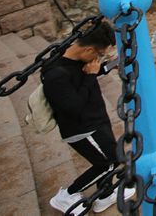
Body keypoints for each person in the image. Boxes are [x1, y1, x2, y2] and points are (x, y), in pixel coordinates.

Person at [42, 19, 134, 213]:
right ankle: (66, 196)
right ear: (89, 50)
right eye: (99, 54)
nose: (99, 58)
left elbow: (87, 71)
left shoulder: (74, 58)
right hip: (82, 129)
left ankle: (104, 195)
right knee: (107, 163)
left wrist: (109, 65)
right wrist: (91, 76)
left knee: (112, 156)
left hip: (96, 120)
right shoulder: (55, 74)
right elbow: (73, 107)